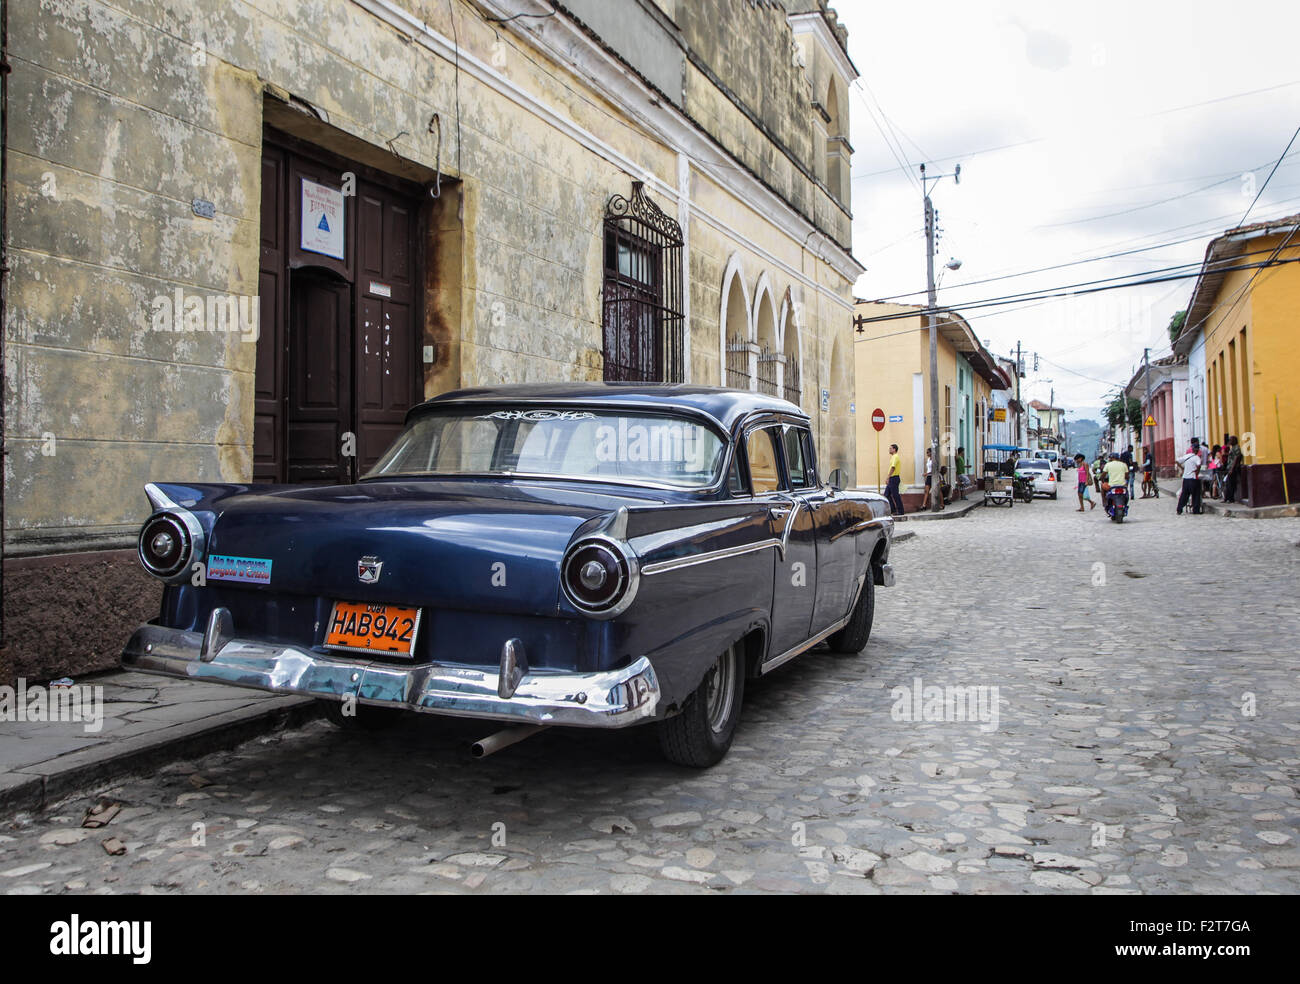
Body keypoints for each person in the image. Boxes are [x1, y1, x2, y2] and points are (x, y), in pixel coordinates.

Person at [1176, 439, 1203, 515]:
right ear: (1197, 450)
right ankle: (1196, 510)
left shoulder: (1186, 456)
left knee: (1184, 494)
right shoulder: (1197, 458)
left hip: (1186, 479)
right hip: (1193, 479)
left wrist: (1182, 468)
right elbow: (1199, 465)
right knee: (1196, 494)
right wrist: (1196, 472)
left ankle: (1179, 509)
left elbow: (1177, 461)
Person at [885, 443, 906, 516]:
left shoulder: (895, 457)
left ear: (894, 449)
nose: (889, 450)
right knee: (886, 494)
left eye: (890, 448)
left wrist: (888, 477)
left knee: (895, 495)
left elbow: (893, 467)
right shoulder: (893, 457)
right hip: (892, 478)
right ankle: (893, 509)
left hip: (894, 478)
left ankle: (900, 511)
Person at [1224, 436, 1243, 503]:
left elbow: (1236, 458)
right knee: (1228, 483)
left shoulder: (1236, 448)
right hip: (1230, 467)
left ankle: (1230, 498)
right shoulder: (1232, 448)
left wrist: (1232, 468)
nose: (1229, 441)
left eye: (1231, 440)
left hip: (1233, 468)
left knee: (1231, 484)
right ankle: (1227, 498)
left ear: (1235, 441)